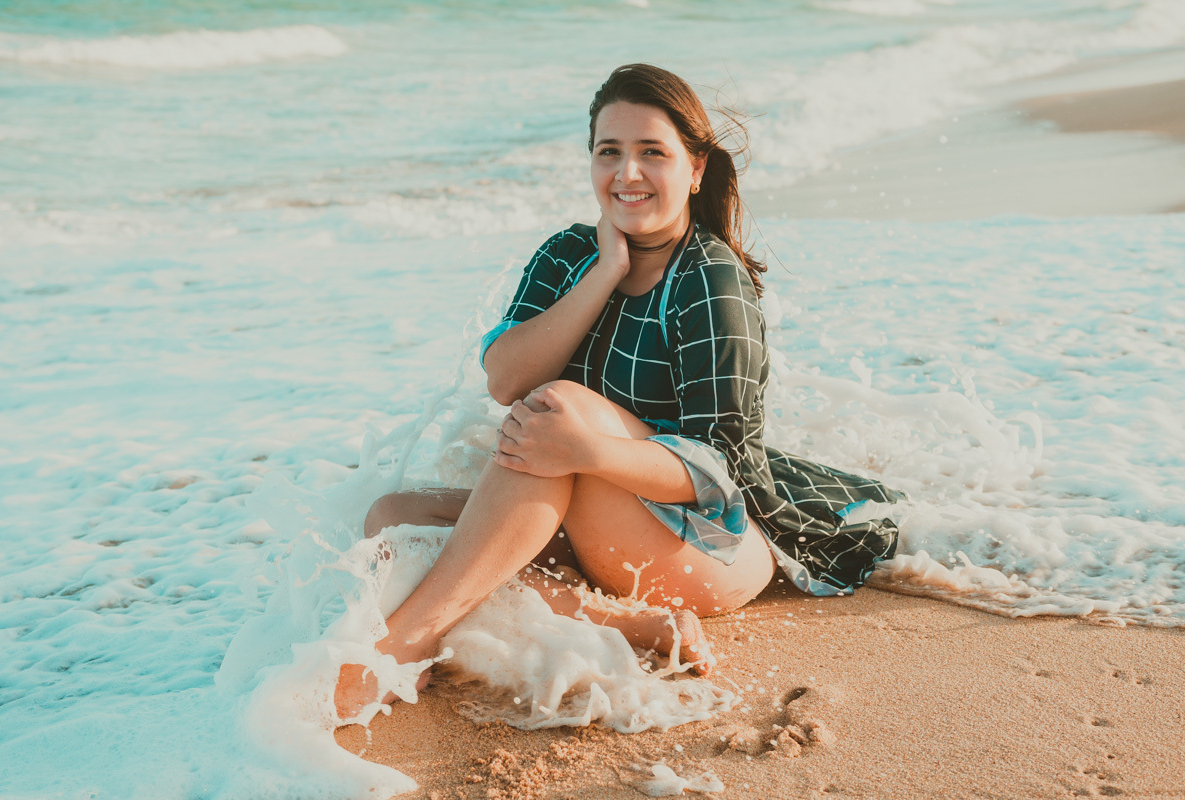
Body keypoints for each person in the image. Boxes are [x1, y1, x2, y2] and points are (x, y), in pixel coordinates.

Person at [334, 63, 902, 718]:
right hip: (601, 517)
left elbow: (726, 468)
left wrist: (587, 451)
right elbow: (505, 379)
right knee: (394, 516)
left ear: (695, 168)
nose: (627, 173)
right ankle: (632, 625)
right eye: (610, 152)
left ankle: (403, 643)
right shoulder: (570, 254)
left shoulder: (710, 279)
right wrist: (606, 271)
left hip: (712, 543)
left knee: (556, 413)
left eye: (652, 153)